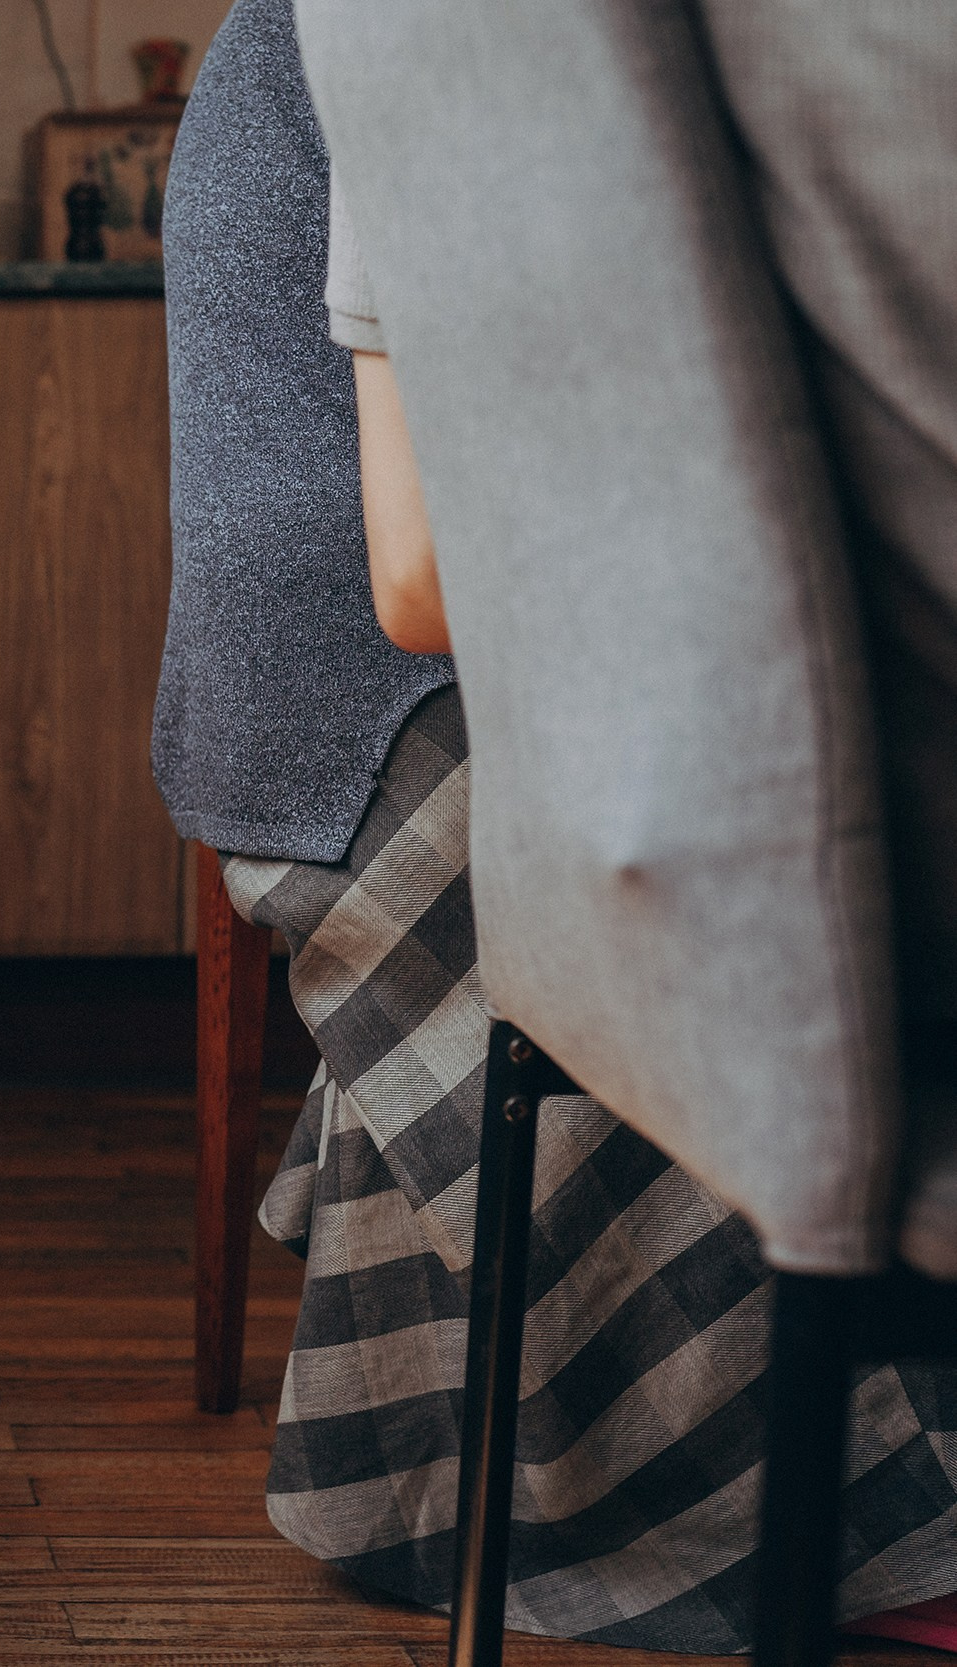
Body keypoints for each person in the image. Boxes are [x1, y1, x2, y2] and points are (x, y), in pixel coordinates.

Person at [160, 0, 957, 1649]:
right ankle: (904, 1523)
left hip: (350, 660)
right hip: (384, 690)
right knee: (803, 868)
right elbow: (438, 557)